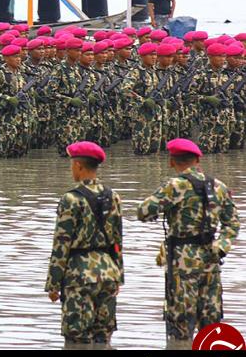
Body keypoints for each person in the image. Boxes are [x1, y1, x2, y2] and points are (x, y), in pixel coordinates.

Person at [137, 138, 239, 340]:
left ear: (171, 161)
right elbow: (233, 223)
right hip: (211, 260)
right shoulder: (218, 187)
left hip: (182, 262)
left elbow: (143, 212)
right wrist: (221, 245)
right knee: (211, 325)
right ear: (198, 159)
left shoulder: (175, 186)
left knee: (180, 326)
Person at [45, 141, 124, 344]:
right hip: (108, 274)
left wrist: (53, 284)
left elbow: (61, 244)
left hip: (79, 276)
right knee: (103, 339)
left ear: (78, 166)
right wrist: (119, 277)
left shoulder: (71, 199)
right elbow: (117, 241)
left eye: (72, 164)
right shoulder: (113, 196)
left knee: (76, 340)